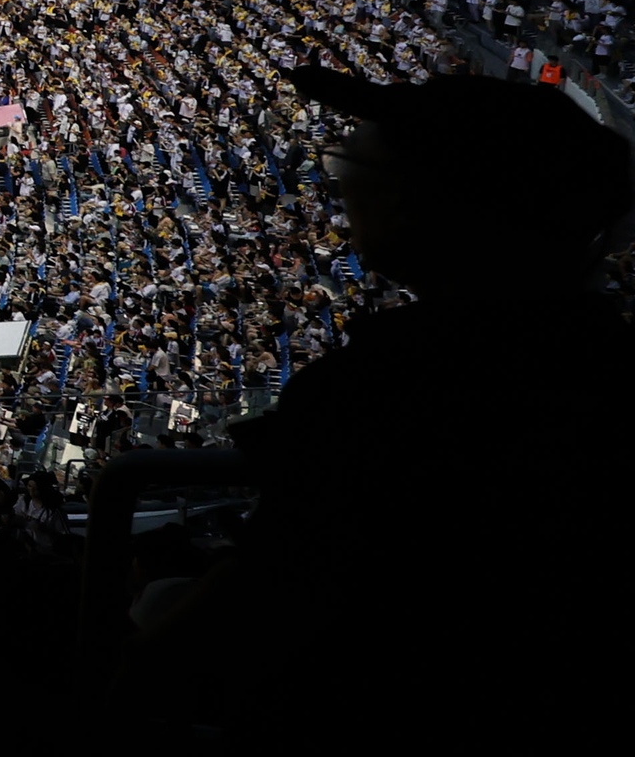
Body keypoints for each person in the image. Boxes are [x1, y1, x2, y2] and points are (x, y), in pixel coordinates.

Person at [135, 67, 635, 744]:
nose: (344, 183)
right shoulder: (595, 350)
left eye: (366, 165)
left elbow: (257, 602)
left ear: (445, 200)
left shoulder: (389, 385)